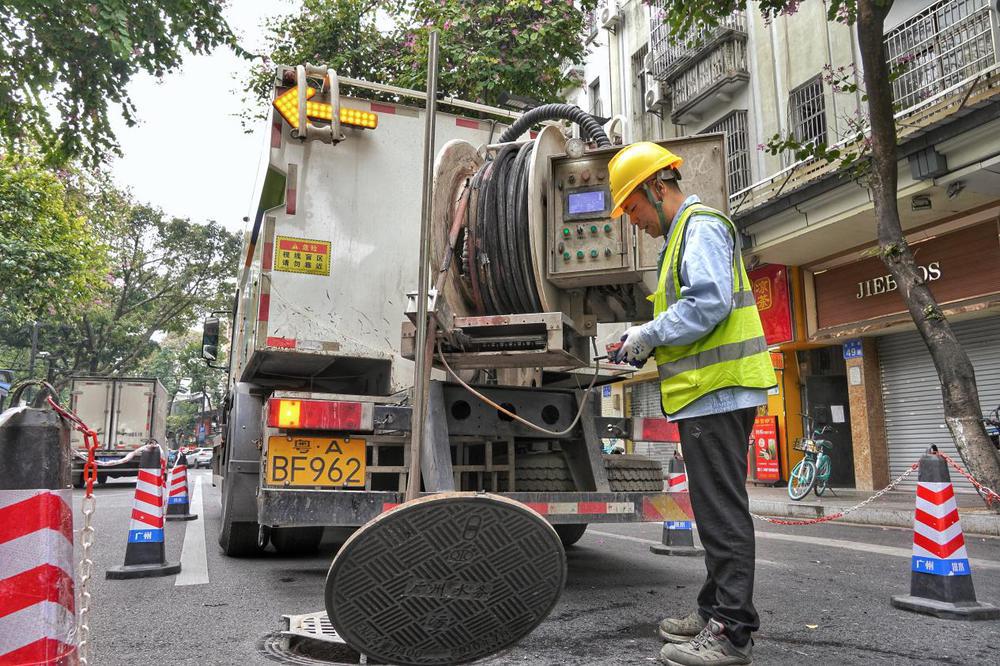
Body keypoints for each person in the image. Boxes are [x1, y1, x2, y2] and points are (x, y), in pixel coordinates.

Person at [607, 142, 777, 666]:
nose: (633, 222)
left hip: (719, 393)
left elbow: (707, 304)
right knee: (712, 510)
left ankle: (730, 635)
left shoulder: (699, 227)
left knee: (721, 513)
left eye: (632, 208)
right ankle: (713, 612)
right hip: (710, 395)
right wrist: (644, 344)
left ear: (657, 188)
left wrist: (645, 333)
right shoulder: (681, 237)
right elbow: (691, 320)